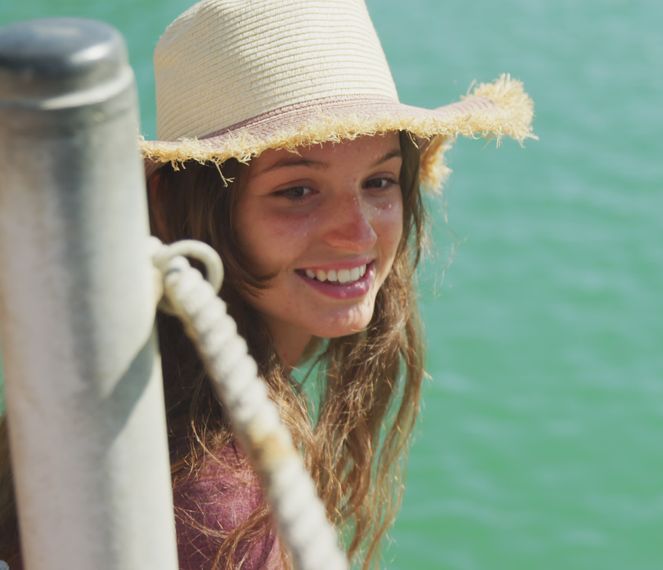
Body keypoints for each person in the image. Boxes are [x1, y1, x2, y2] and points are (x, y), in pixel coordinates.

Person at [0, 0, 533, 568]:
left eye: (379, 181)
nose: (357, 234)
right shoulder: (221, 514)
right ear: (177, 206)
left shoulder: (135, 382)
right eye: (297, 190)